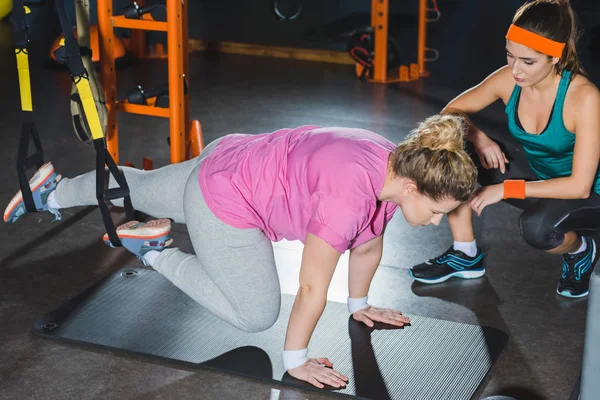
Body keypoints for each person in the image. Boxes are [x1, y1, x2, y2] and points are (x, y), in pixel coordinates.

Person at [4, 118, 477, 388]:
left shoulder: (392, 162)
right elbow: (312, 285)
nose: (437, 222)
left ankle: (53, 191)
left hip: (231, 157)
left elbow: (370, 243)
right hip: (227, 202)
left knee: (144, 187)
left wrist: (360, 306)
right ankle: (155, 249)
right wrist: (295, 361)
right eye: (437, 211)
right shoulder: (349, 197)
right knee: (254, 315)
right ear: (414, 187)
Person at [409, 0, 600, 299]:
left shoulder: (584, 97)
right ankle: (465, 253)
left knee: (537, 228)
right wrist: (477, 137)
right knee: (454, 143)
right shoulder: (508, 79)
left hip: (590, 195)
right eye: (510, 55)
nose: (515, 69)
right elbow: (451, 111)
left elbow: (579, 185)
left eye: (528, 61)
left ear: (554, 56)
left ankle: (581, 249)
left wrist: (505, 189)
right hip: (541, 177)